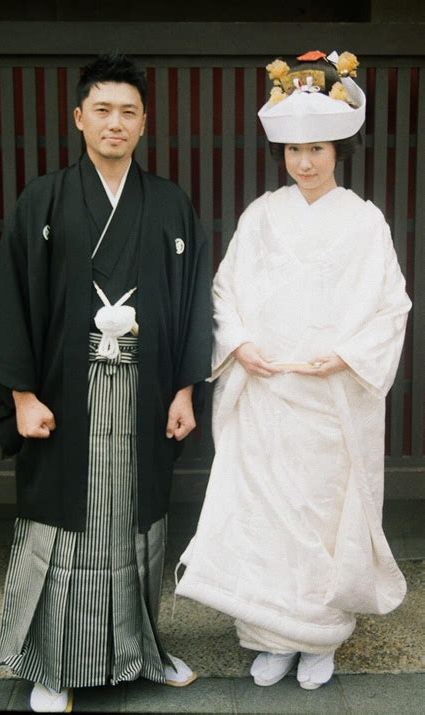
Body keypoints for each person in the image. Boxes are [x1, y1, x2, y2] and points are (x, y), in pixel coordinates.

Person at [0, 52, 211, 712]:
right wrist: (21, 396)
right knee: (63, 531)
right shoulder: (42, 198)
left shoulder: (168, 204)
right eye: (102, 109)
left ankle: (142, 652)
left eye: (128, 111)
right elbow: (12, 298)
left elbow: (192, 303)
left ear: (144, 123)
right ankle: (52, 664)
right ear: (79, 117)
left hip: (146, 391)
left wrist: (187, 389)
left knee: (136, 529)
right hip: (62, 398)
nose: (115, 122)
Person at [175, 50, 412, 691]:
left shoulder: (365, 222)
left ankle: (319, 638)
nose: (304, 162)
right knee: (263, 513)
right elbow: (223, 293)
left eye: (317, 149)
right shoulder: (261, 215)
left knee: (320, 514)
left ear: (337, 150)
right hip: (266, 389)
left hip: (330, 394)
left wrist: (349, 355)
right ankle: (269, 636)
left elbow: (391, 305)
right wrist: (241, 344)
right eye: (294, 151)